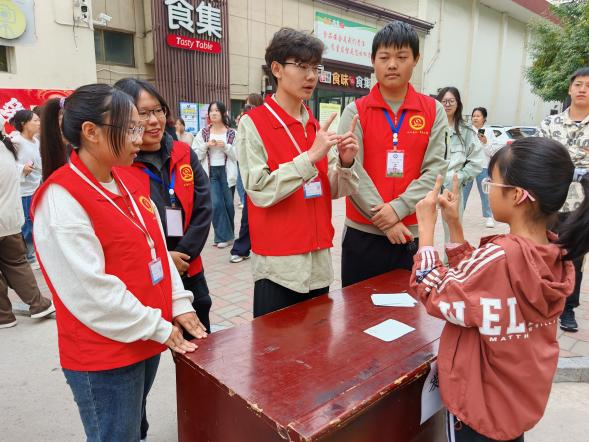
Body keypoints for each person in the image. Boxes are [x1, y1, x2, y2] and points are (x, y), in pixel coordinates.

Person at [32, 84, 207, 441]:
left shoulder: (126, 178)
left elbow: (156, 249)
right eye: (129, 128)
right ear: (91, 132)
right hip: (105, 354)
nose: (139, 137)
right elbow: (91, 293)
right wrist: (159, 326)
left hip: (143, 334)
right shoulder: (62, 200)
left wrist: (177, 302)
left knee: (132, 429)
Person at [411, 137, 588, 442]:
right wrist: (454, 225)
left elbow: (434, 289)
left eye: (491, 183)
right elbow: (480, 286)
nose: (488, 190)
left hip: (477, 406)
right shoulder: (555, 255)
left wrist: (426, 231)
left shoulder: (500, 256)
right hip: (514, 402)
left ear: (517, 195)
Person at [238, 27, 359, 317]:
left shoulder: (315, 126)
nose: (311, 76)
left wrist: (345, 163)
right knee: (276, 344)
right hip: (279, 266)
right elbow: (259, 191)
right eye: (302, 66)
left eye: (315, 68)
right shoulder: (253, 123)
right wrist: (310, 158)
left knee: (318, 341)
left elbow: (334, 190)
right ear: (277, 69)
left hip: (318, 262)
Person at [337, 21, 448, 288]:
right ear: (373, 60)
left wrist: (398, 209)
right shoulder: (355, 111)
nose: (392, 65)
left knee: (410, 309)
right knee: (357, 310)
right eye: (384, 57)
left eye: (402, 57)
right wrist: (386, 222)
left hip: (412, 233)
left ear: (416, 59)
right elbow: (353, 170)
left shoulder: (433, 110)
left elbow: (435, 171)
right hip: (362, 234)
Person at [114, 78, 214, 336]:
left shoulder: (183, 152)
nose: (154, 120)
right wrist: (165, 259)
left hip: (190, 267)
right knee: (148, 347)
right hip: (147, 277)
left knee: (199, 343)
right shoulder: (118, 165)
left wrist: (183, 255)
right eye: (143, 113)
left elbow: (203, 208)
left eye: (158, 110)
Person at [540, 66, 589, 332]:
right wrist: (578, 164)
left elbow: (558, 161)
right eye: (578, 84)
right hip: (549, 201)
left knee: (575, 257)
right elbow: (542, 158)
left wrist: (564, 164)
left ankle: (568, 308)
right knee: (543, 251)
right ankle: (542, 299)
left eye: (588, 86)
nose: (583, 89)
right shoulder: (550, 124)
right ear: (570, 89)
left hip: (582, 206)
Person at [0, 130, 54, 328]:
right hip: (10, 220)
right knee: (17, 264)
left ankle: (4, 316)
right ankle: (39, 304)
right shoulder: (6, 149)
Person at [436, 87, 484, 242]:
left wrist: (459, 177)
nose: (447, 104)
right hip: (430, 184)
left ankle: (449, 258)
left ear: (458, 104)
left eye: (451, 101)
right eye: (444, 101)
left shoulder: (467, 131)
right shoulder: (431, 128)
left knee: (452, 232)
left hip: (452, 187)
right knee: (424, 226)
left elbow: (476, 161)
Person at [193, 101, 237, 248]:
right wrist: (206, 145)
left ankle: (229, 236)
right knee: (216, 204)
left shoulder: (232, 133)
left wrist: (226, 147)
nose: (214, 113)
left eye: (217, 110)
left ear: (223, 113)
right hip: (210, 172)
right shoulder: (203, 133)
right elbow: (195, 155)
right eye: (211, 111)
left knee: (229, 205)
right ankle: (222, 237)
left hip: (227, 172)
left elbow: (238, 155)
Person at [230, 93, 264, 264]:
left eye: (250, 107)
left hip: (266, 174)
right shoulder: (245, 122)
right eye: (246, 107)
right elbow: (239, 151)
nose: (247, 110)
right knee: (248, 215)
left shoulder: (263, 122)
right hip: (250, 175)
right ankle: (241, 249)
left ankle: (245, 247)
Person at [10, 109, 42, 268]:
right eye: (35, 120)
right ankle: (28, 256)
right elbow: (7, 163)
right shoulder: (16, 142)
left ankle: (33, 253)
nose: (39, 123)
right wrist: (22, 168)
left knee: (35, 222)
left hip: (36, 186)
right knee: (26, 224)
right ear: (24, 124)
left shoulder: (36, 141)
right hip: (23, 191)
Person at [463, 107, 502, 228]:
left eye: (478, 116)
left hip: (483, 166)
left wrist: (485, 142)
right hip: (468, 166)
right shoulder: (467, 131)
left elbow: (492, 152)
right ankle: (458, 215)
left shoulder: (489, 132)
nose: (475, 118)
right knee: (463, 192)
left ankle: (489, 216)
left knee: (485, 192)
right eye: (473, 116)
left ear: (484, 118)